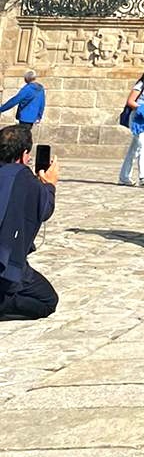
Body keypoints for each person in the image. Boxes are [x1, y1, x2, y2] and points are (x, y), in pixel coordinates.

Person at [0, 123, 58, 320]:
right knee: (47, 301)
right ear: (24, 154)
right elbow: (44, 209)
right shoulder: (24, 179)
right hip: (5, 262)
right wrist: (49, 185)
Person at [1, 68, 46, 137]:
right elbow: (42, 104)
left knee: (22, 137)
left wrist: (1, 109)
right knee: (25, 135)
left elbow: (14, 100)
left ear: (26, 78)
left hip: (24, 117)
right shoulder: (40, 88)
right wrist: (39, 116)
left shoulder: (27, 89)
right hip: (32, 118)